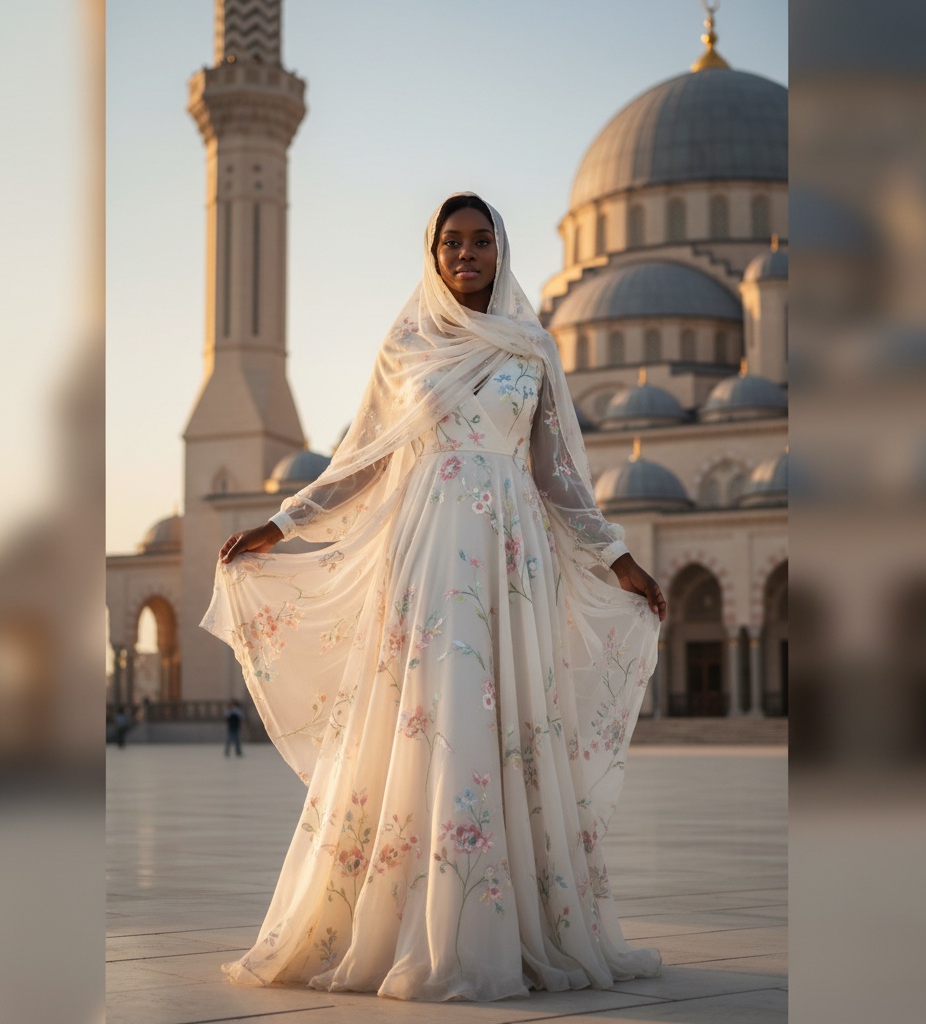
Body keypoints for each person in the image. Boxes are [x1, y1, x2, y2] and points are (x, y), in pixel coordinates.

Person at [202, 193, 667, 1002]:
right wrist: (279, 527)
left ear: (501, 250)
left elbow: (556, 474)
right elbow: (364, 463)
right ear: (432, 253)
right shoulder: (409, 346)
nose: (465, 255)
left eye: (480, 241)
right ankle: (412, 922)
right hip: (427, 557)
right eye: (450, 242)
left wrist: (618, 559)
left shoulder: (531, 348)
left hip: (510, 556)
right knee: (431, 713)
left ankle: (506, 922)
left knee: (505, 716)